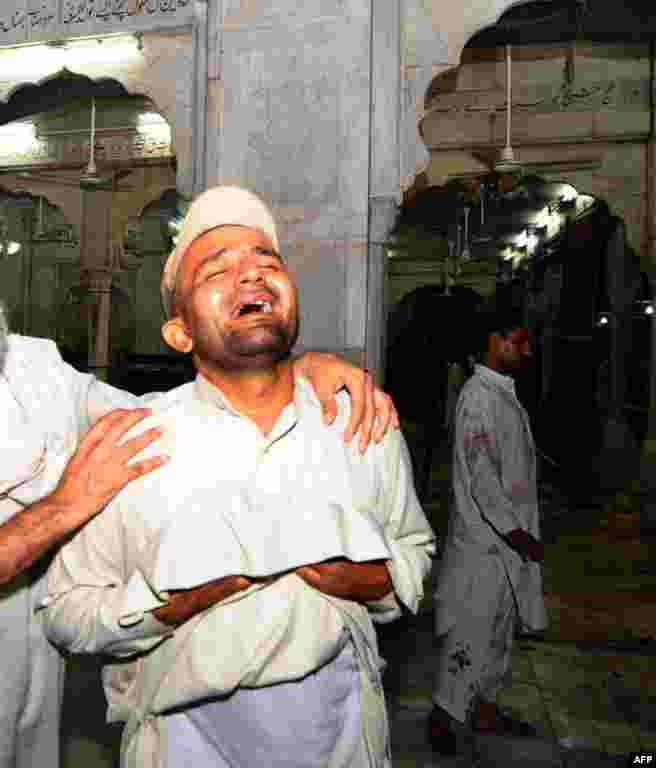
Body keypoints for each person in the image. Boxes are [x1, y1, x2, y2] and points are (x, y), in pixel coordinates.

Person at [0, 176, 398, 768]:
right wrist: (65, 505)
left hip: (15, 725)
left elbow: (177, 420)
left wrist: (283, 364)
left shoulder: (31, 373)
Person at [40, 186, 436, 767]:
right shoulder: (133, 443)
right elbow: (66, 612)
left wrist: (375, 584)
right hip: (186, 742)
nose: (250, 276)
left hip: (345, 735)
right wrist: (167, 607)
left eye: (266, 262)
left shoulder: (359, 420)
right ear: (179, 332)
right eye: (217, 272)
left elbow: (415, 550)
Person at [428, 310, 546, 754]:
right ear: (495, 342)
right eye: (518, 341)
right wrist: (515, 531)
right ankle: (443, 721)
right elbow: (481, 475)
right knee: (470, 636)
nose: (526, 350)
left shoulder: (502, 395)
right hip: (485, 545)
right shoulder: (479, 397)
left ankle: (485, 709)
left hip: (505, 547)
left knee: (498, 634)